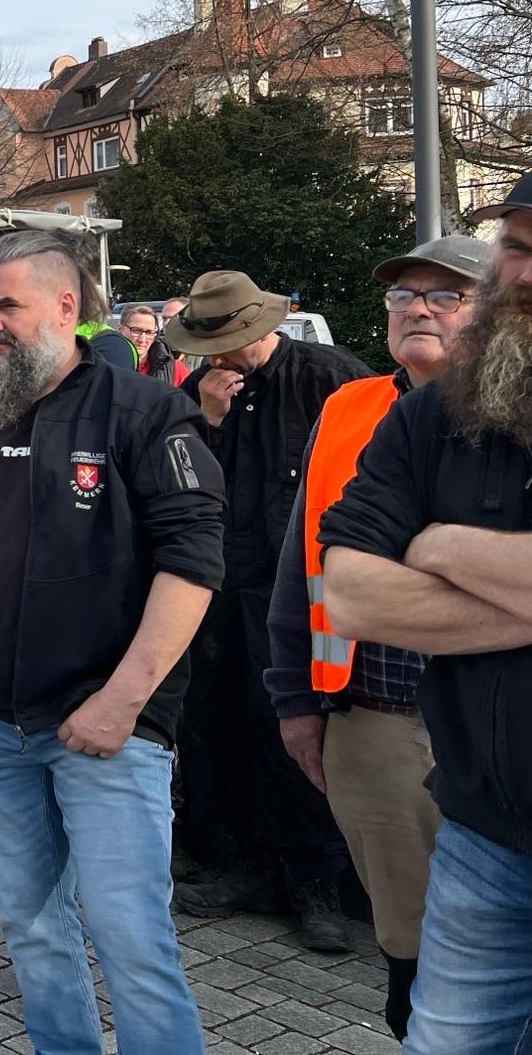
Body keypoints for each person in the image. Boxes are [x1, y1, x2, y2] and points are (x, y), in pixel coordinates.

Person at [0, 230, 224, 1054]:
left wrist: (122, 703)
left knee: (129, 935)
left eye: (6, 305)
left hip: (103, 733)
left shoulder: (144, 410)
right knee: (29, 926)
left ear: (66, 305)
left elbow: (194, 565)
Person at [319, 178, 532, 1054]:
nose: (525, 272)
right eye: (515, 247)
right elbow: (350, 591)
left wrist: (437, 545)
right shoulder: (429, 417)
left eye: (439, 292)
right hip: (487, 836)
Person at [265, 233, 488, 1039]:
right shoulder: (350, 407)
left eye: (444, 295)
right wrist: (295, 697)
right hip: (374, 718)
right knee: (409, 948)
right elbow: (303, 563)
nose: (417, 308)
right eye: (403, 296)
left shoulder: (511, 410)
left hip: (492, 718)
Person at [164, 270, 369, 948]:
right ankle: (242, 863)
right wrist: (209, 421)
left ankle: (317, 883)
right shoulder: (200, 392)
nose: (214, 358)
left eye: (222, 343)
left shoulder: (329, 378)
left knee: (297, 729)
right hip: (220, 588)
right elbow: (177, 480)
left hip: (299, 592)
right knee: (220, 723)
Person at [120, 304, 188, 386]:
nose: (142, 339)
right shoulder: (105, 363)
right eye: (136, 330)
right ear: (119, 328)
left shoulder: (175, 369)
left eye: (149, 332)